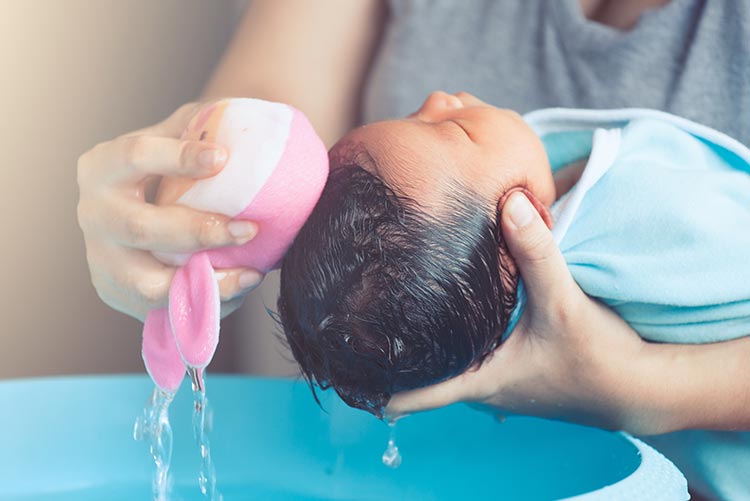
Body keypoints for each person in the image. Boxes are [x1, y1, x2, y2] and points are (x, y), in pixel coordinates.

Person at [76, 1, 750, 498]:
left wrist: (650, 389)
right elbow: (275, 101)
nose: (436, 96)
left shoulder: (651, 212)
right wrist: (206, 184)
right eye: (438, 126)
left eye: (447, 130)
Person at [278, 90, 750, 417]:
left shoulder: (534, 178)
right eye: (456, 130)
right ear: (525, 220)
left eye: (411, 119)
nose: (436, 100)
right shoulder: (641, 216)